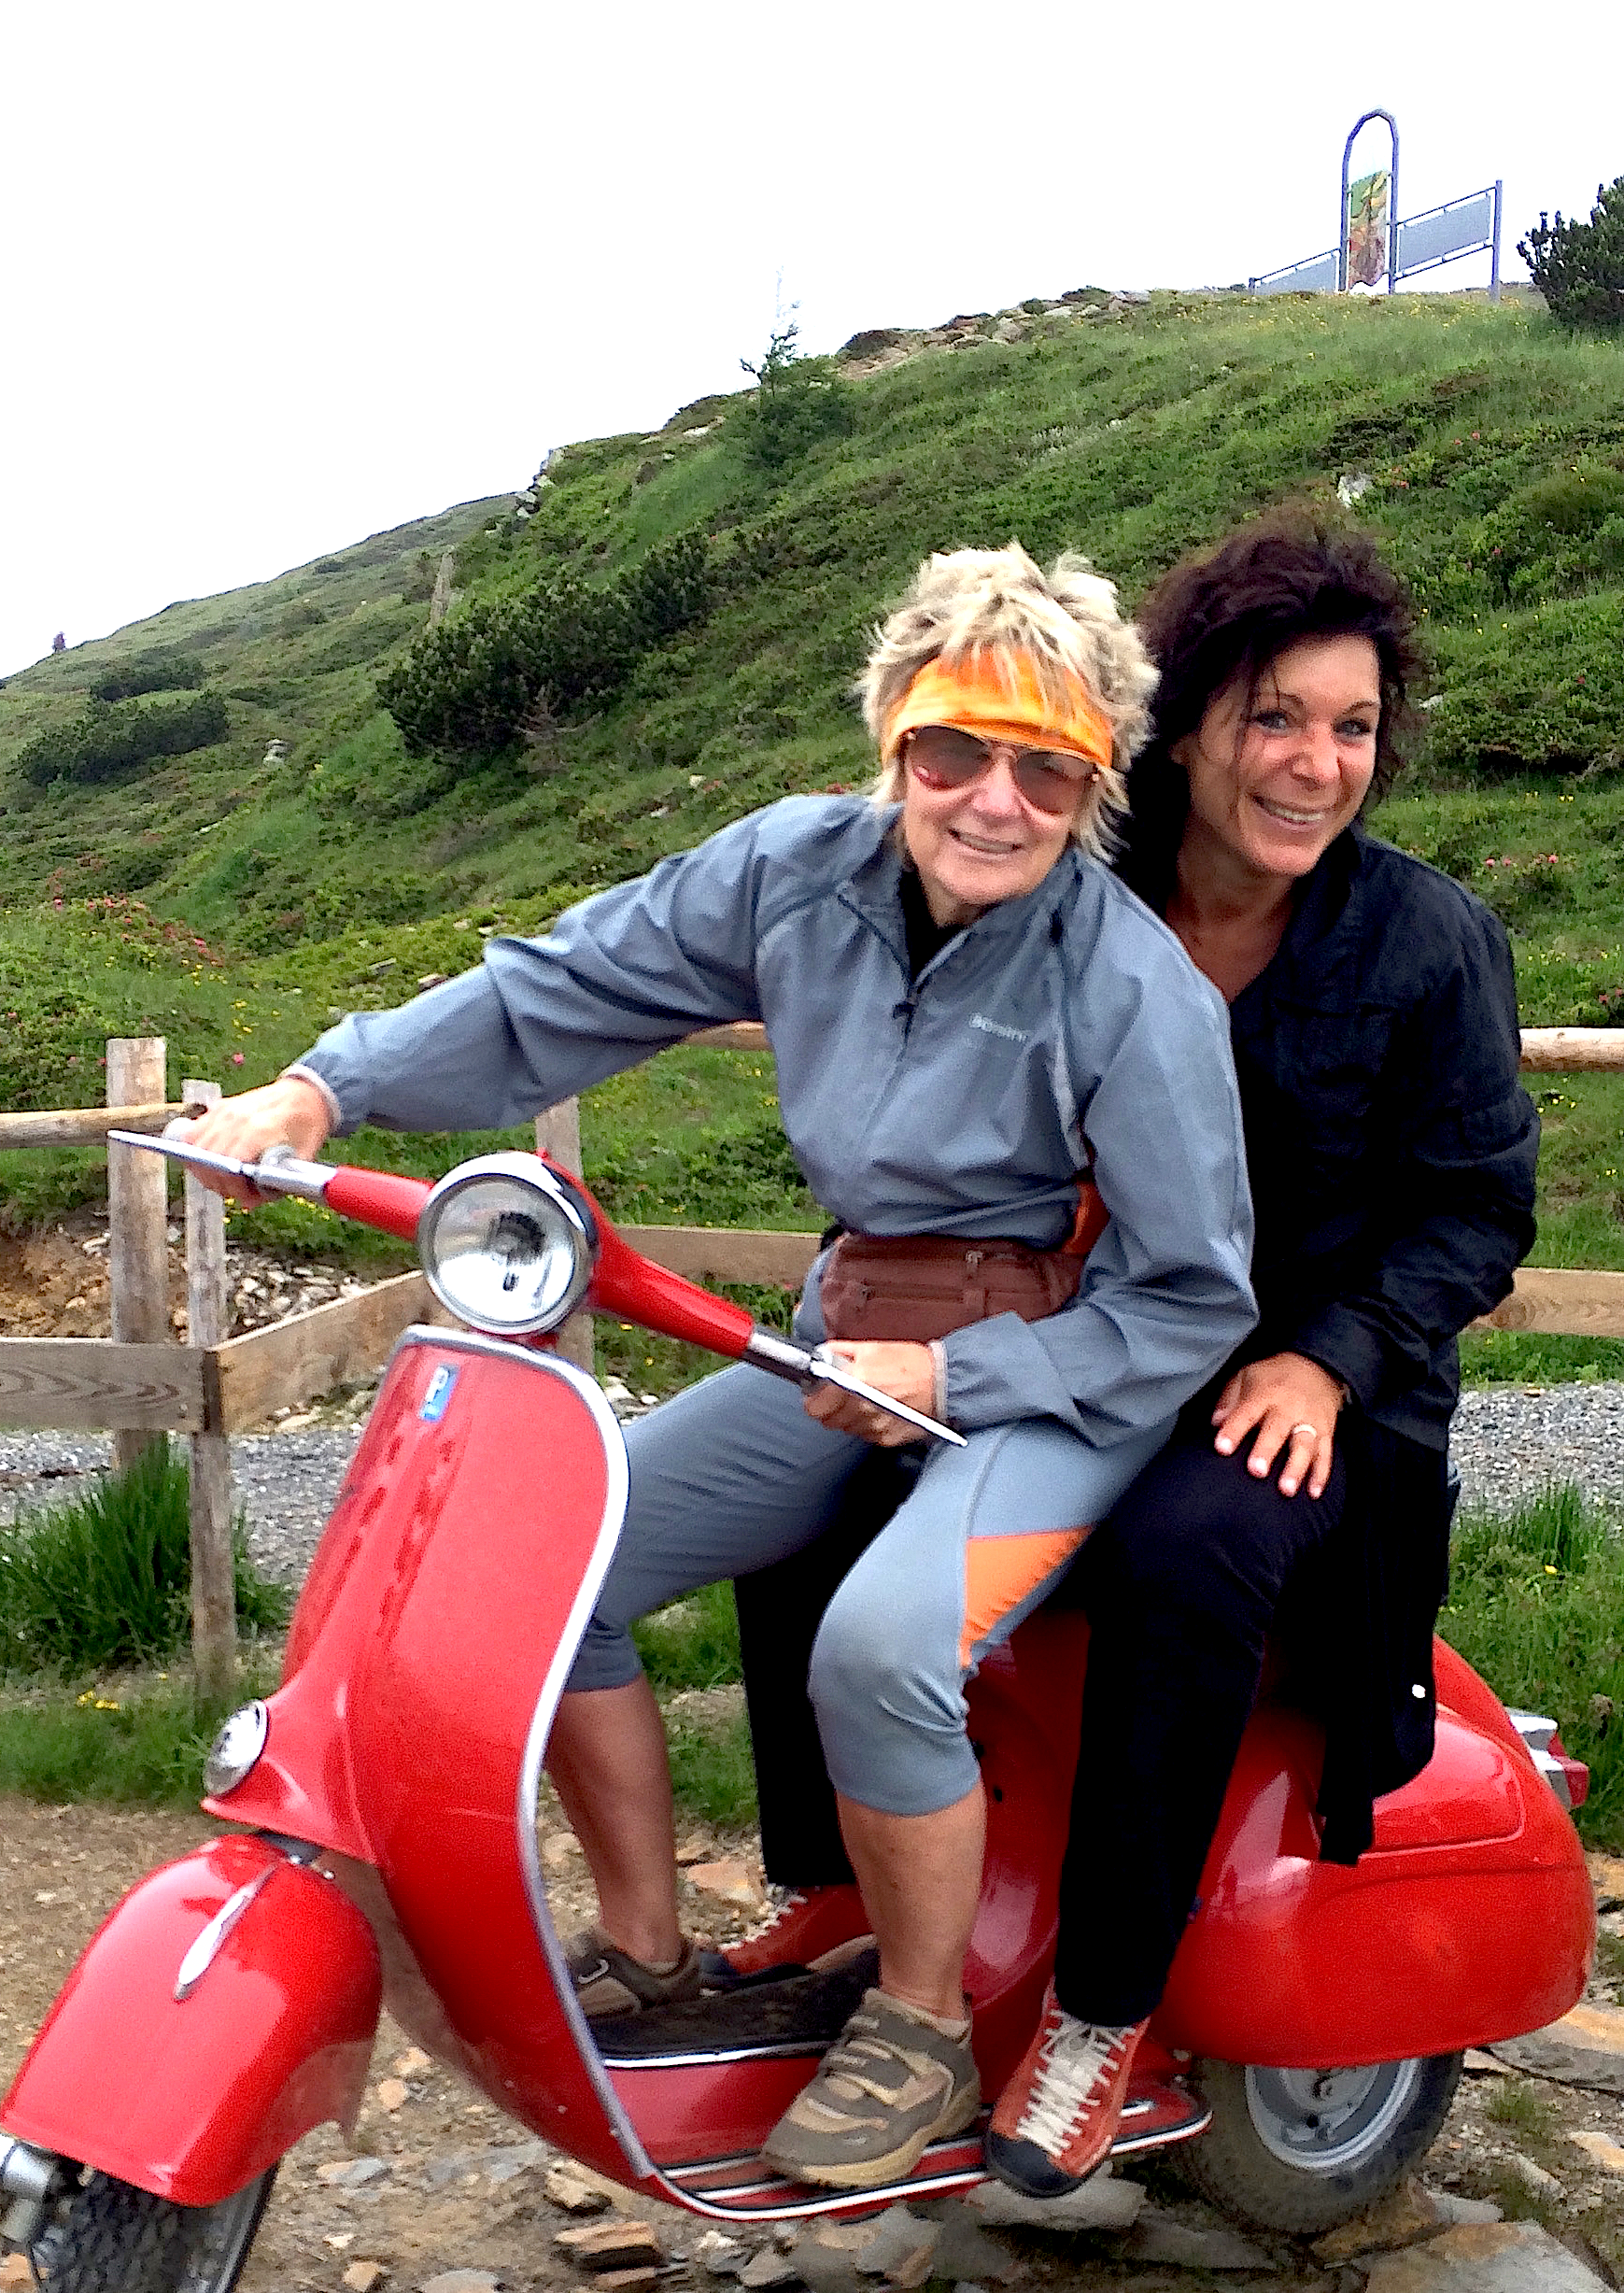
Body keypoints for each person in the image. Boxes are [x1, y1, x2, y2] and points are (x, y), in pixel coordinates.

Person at [174, 541, 1257, 2191]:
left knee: (877, 1647)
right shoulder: (788, 871)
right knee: (559, 1565)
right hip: (843, 1332)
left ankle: (912, 2025)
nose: (990, 801)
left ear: (1093, 784)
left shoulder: (1132, 985)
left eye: (1047, 770)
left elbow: (1187, 1303)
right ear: (892, 733)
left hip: (1044, 1373)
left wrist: (961, 1380)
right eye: (952, 750)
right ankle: (649, 1941)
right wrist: (323, 1091)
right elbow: (564, 986)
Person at [723, 507, 1540, 2196]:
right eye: (1273, 718)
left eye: (1352, 726)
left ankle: (1099, 2011)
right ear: (1187, 730)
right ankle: (838, 1881)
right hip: (1072, 1351)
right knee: (817, 1451)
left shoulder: (1424, 941)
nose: (1313, 764)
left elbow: (1471, 1210)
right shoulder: (1072, 893)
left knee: (1187, 1551)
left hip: (1307, 1397)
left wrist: (1325, 1352)